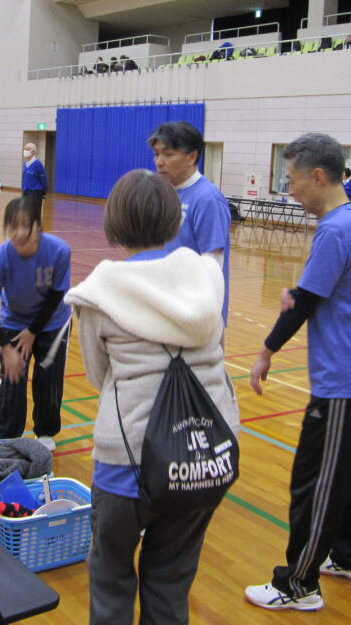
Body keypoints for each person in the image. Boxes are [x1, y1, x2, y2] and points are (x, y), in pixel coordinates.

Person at [65, 169, 239, 625]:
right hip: (204, 457)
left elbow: (99, 376)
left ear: (114, 223)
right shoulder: (206, 276)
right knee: (170, 582)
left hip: (128, 461)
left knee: (111, 578)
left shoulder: (99, 291)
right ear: (175, 219)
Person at [245, 133, 351, 613]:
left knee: (315, 479)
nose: (290, 192)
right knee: (343, 473)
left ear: (319, 177)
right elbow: (317, 291)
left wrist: (265, 352)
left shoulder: (335, 229)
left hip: (345, 378)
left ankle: (298, 583)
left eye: (292, 181)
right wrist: (296, 294)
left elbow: (304, 302)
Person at [0, 196, 71, 451]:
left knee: (48, 379)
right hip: (15, 320)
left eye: (25, 226)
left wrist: (33, 331)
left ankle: (45, 432)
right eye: (13, 226)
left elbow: (57, 295)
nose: (19, 233)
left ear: (38, 226)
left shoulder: (59, 251)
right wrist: (6, 348)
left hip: (53, 321)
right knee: (12, 378)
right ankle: (8, 436)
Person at [148, 121, 231, 325]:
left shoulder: (207, 198)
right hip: (167, 306)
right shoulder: (164, 193)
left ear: (191, 157)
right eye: (157, 154)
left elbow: (212, 264)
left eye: (168, 154)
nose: (159, 162)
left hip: (195, 316)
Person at [21, 142, 48, 217]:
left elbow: (43, 180)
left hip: (35, 194)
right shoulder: (25, 164)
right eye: (24, 149)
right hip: (26, 193)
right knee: (26, 215)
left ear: (33, 151)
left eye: (27, 149)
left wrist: (43, 192)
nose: (25, 151)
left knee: (35, 216)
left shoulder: (38, 164)